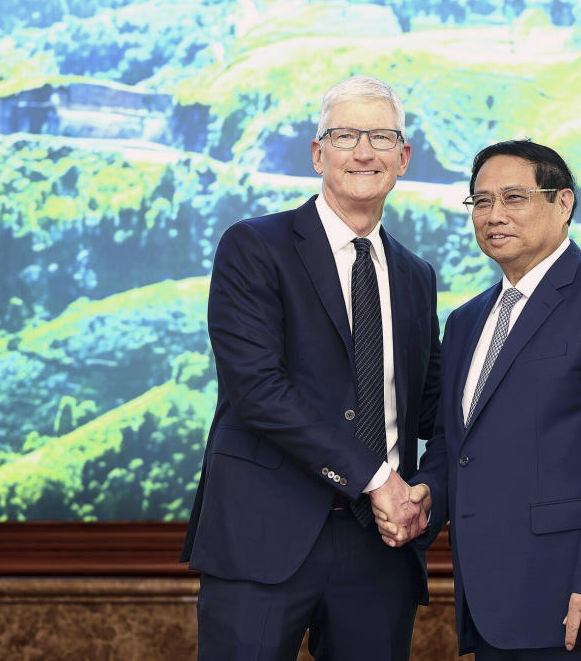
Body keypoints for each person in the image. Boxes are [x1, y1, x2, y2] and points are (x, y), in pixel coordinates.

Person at [380, 140, 581, 659]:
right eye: (481, 201)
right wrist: (428, 492)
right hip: (494, 610)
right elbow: (457, 447)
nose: (494, 215)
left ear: (563, 203)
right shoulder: (467, 321)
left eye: (514, 197)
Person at [180, 75, 440, 661]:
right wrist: (379, 480)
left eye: (381, 136)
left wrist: (426, 493)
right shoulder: (254, 246)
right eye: (346, 135)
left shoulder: (415, 275)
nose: (364, 152)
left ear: (404, 157)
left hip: (381, 548)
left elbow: (432, 406)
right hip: (264, 536)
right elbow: (258, 391)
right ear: (318, 152)